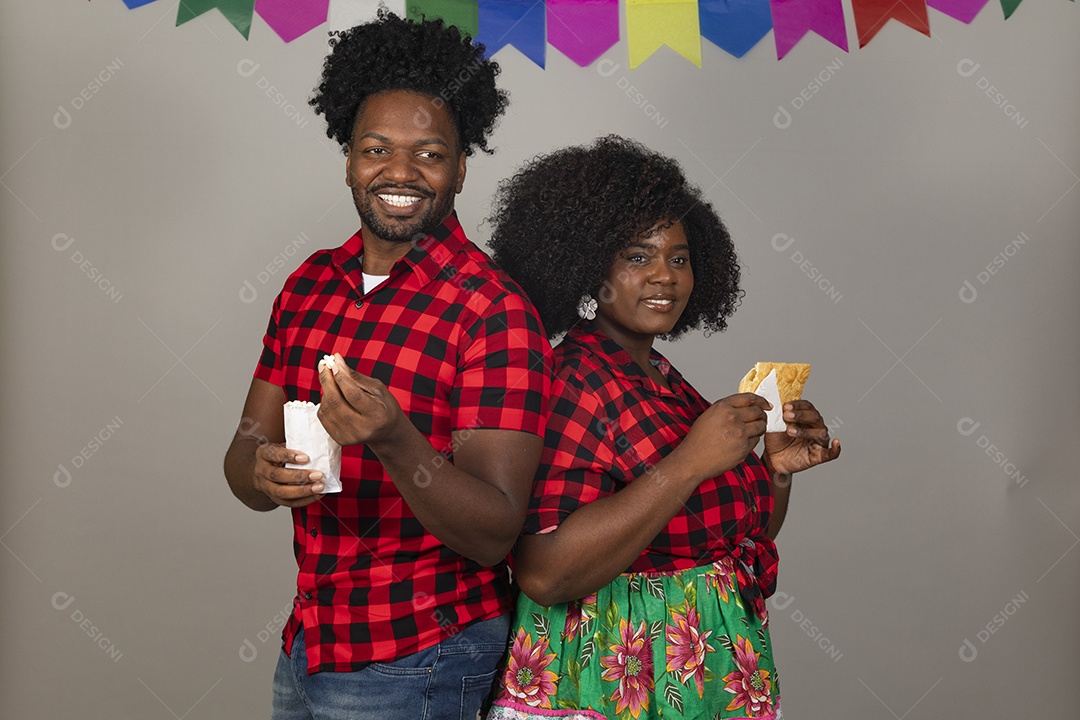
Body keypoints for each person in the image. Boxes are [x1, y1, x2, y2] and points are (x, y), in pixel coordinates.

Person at [223, 11, 552, 720]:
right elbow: (243, 455)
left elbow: (495, 531)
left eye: (429, 154)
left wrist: (396, 440)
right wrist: (262, 473)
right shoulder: (309, 284)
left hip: (423, 651)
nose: (400, 172)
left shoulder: (493, 310)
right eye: (376, 149)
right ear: (348, 160)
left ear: (460, 168)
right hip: (311, 639)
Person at [482, 136, 841, 720]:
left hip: (703, 672)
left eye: (678, 258)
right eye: (637, 257)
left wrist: (776, 470)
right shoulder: (577, 381)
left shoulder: (661, 377)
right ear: (587, 266)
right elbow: (545, 573)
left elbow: (725, 539)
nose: (664, 277)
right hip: (615, 677)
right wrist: (690, 462)